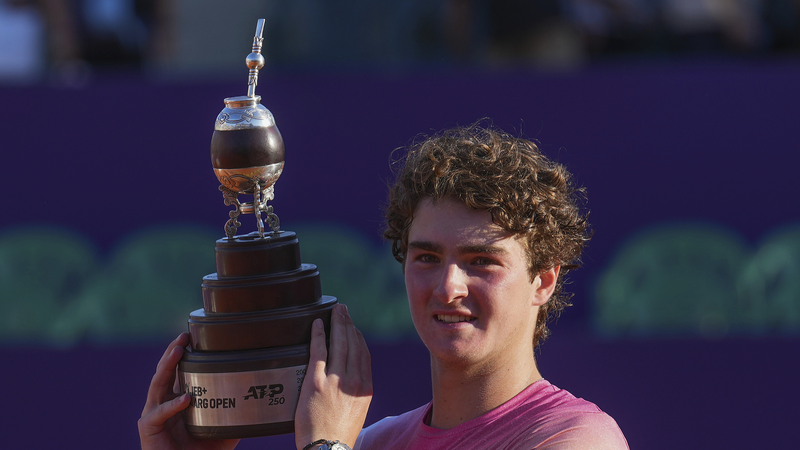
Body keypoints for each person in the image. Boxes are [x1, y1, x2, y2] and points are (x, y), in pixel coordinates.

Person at [139, 122, 628, 450]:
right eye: (427, 257)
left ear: (543, 280)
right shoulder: (375, 443)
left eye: (482, 261)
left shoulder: (576, 437)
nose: (448, 286)